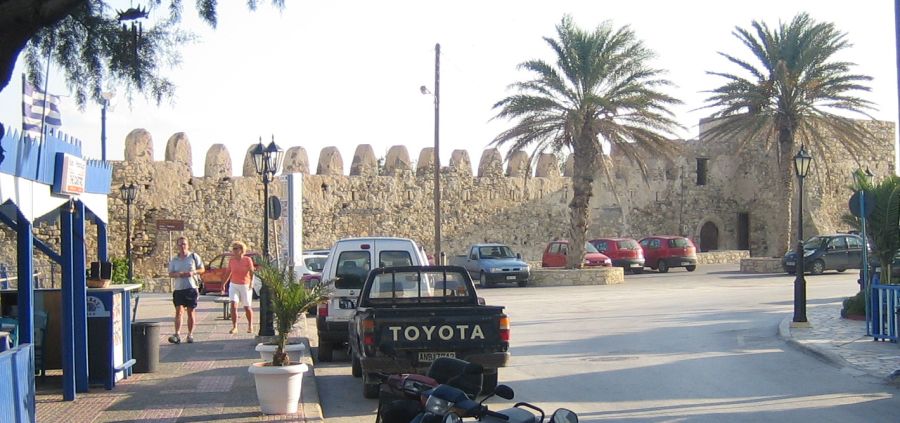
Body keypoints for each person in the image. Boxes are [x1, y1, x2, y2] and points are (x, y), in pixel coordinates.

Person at [167, 236, 204, 344]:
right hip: (179, 288)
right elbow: (170, 273)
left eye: (184, 244)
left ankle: (190, 334)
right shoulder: (174, 260)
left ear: (188, 245)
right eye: (180, 244)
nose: (182, 246)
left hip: (191, 287)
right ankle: (177, 334)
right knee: (178, 311)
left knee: (191, 312)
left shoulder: (193, 256)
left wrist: (193, 273)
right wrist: (178, 274)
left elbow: (202, 269)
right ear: (177, 246)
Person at [225, 241, 255, 334]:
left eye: (236, 248)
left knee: (247, 307)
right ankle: (234, 327)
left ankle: (250, 325)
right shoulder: (231, 260)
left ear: (241, 250)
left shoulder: (247, 260)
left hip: (245, 285)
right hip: (234, 285)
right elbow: (228, 272)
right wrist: (223, 284)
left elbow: (252, 272)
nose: (234, 251)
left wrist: (252, 283)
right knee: (233, 305)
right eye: (233, 249)